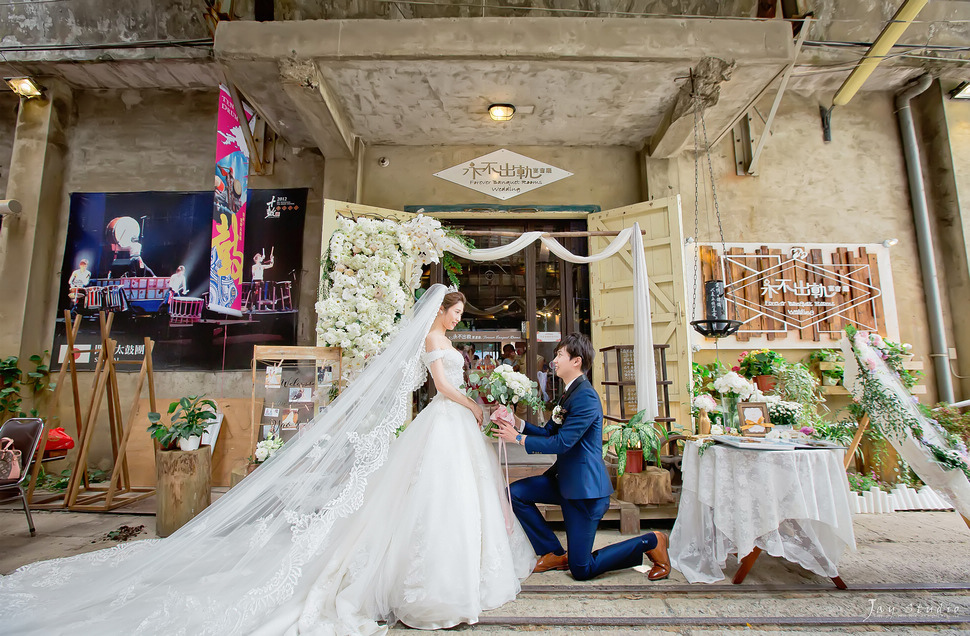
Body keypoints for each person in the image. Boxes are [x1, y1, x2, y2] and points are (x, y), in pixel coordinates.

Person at [0, 285, 534, 634]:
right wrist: (479, 405)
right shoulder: (432, 338)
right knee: (438, 498)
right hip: (448, 420)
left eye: (461, 313)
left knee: (454, 499)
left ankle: (460, 572)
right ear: (441, 310)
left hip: (455, 426)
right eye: (458, 311)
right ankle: (431, 581)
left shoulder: (443, 336)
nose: (459, 319)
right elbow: (443, 387)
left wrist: (480, 403)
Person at [491, 332, 671, 582]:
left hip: (585, 492)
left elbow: (562, 443)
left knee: (581, 569)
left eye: (560, 354)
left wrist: (518, 439)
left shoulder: (585, 397)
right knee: (515, 494)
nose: (554, 360)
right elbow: (548, 433)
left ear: (576, 361)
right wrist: (518, 423)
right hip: (565, 482)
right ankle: (552, 552)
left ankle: (651, 541)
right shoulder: (568, 393)